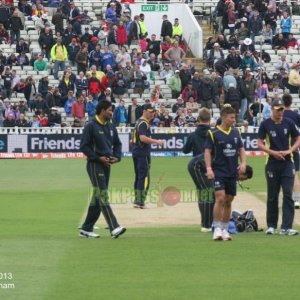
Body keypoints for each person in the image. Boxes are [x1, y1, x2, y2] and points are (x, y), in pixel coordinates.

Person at [79, 100, 126, 239]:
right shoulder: (91, 126)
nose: (112, 112)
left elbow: (117, 144)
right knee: (102, 194)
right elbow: (84, 146)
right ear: (102, 110)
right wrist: (98, 158)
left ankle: (86, 228)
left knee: (97, 196)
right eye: (110, 110)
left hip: (107, 165)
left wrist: (117, 157)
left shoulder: (111, 126)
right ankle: (114, 227)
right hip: (94, 164)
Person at [257, 99, 300, 235]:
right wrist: (272, 152)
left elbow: (298, 138)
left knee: (288, 194)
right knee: (272, 195)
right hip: (271, 163)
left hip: (288, 162)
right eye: (277, 109)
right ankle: (271, 225)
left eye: (281, 109)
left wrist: (290, 150)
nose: (280, 112)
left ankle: (286, 227)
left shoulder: (289, 122)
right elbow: (259, 143)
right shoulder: (265, 124)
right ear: (272, 109)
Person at [204, 105, 247, 241]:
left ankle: (224, 228)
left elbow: (241, 149)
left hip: (231, 171)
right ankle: (216, 228)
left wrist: (243, 163)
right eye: (231, 117)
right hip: (218, 171)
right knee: (220, 197)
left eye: (234, 117)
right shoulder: (213, 133)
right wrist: (209, 168)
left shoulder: (236, 132)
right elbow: (207, 152)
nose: (234, 120)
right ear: (223, 118)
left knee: (228, 200)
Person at [131, 104, 164, 209]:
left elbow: (133, 139)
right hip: (142, 153)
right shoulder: (144, 123)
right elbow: (142, 138)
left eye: (153, 111)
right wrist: (157, 141)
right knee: (144, 178)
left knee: (138, 177)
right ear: (144, 111)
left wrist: (134, 142)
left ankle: (137, 200)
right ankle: (140, 202)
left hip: (136, 152)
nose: (152, 113)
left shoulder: (138, 121)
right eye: (150, 111)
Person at [282, 93, 300, 209]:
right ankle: (297, 200)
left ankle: (287, 199)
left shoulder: (279, 114)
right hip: (294, 147)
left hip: (281, 148)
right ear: (291, 102)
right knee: (294, 175)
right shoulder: (296, 115)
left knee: (280, 176)